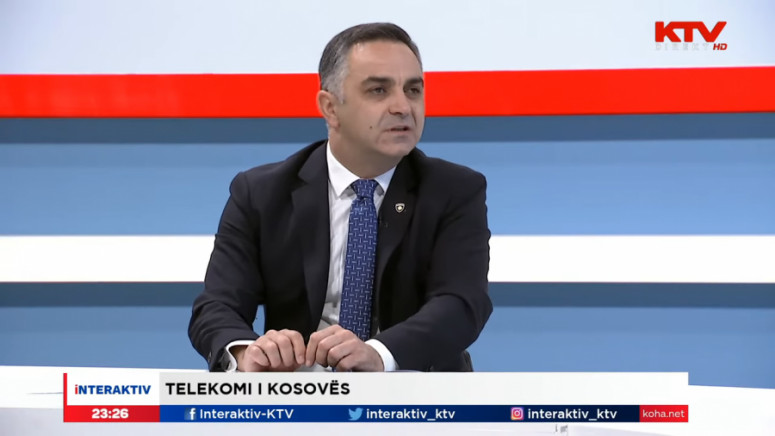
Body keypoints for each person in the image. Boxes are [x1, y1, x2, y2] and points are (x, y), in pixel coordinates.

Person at [188, 22, 492, 372]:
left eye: (413, 90)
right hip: (299, 393)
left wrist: (378, 353)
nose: (402, 106)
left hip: (413, 387)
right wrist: (246, 352)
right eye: (378, 90)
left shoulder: (454, 190)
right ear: (330, 108)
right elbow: (216, 307)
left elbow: (461, 304)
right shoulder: (261, 193)